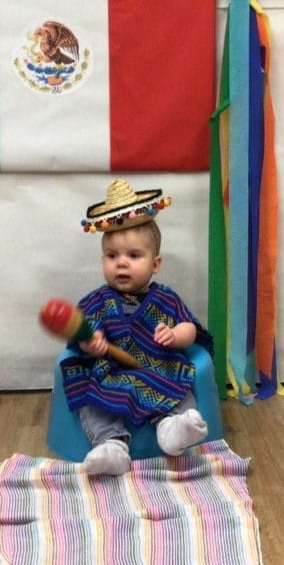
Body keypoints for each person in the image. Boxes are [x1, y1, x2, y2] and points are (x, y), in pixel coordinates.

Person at [60, 178, 212, 476]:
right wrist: (91, 342)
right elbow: (81, 332)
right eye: (112, 256)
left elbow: (191, 329)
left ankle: (173, 432)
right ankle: (110, 446)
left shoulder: (165, 298)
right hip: (110, 372)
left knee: (178, 388)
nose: (122, 264)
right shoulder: (98, 300)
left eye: (133, 256)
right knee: (93, 399)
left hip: (155, 368)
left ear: (155, 264)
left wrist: (175, 335)